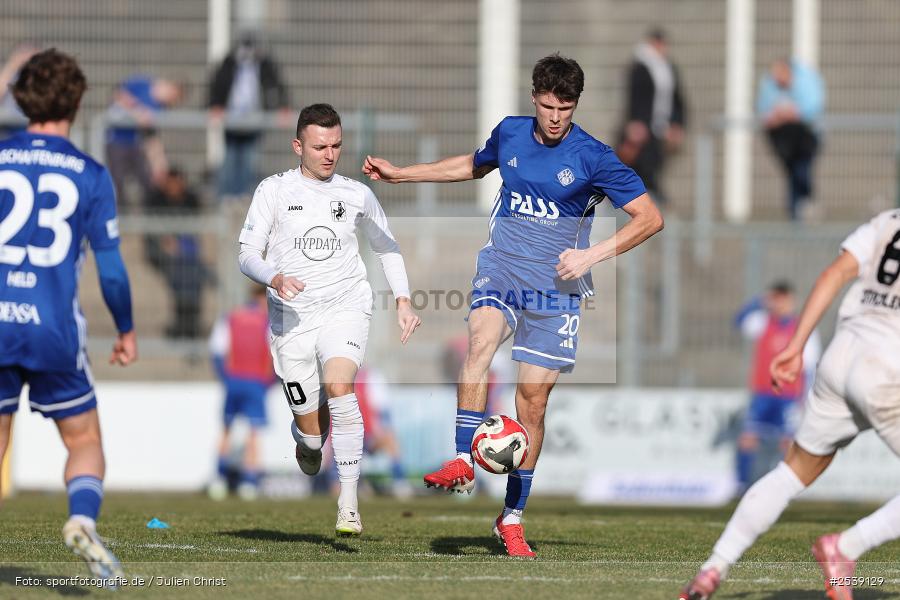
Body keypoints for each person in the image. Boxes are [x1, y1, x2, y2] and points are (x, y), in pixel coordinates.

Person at [364, 53, 663, 558]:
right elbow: (473, 165)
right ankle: (462, 458)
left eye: (564, 108)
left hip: (557, 289)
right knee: (479, 343)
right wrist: (403, 176)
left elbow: (649, 218)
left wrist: (592, 253)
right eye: (547, 105)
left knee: (533, 403)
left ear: (575, 106)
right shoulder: (511, 133)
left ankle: (512, 517)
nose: (554, 117)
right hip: (502, 268)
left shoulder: (594, 157)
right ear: (534, 99)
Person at [680, 208, 900, 600]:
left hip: (842, 353)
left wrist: (795, 347)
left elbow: (832, 275)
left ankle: (712, 569)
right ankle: (846, 547)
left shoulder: (888, 221)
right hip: (886, 366)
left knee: (792, 472)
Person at [238, 103, 420, 536]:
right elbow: (246, 254)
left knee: (342, 387)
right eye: (320, 146)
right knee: (314, 437)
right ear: (298, 145)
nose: (329, 154)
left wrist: (404, 300)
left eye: (337, 145)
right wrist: (274, 276)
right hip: (292, 318)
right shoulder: (274, 191)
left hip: (345, 305)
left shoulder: (356, 194)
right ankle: (307, 438)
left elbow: (386, 246)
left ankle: (349, 504)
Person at [0, 49, 137, 582]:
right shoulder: (90, 174)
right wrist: (126, 329)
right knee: (83, 440)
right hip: (52, 326)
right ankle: (82, 520)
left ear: (18, 98)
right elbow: (112, 273)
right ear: (78, 101)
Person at [733, 281, 820, 493]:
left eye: (783, 298)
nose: (779, 303)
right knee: (748, 439)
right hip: (763, 394)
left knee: (787, 444)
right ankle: (741, 486)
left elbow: (810, 367)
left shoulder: (803, 329)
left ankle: (784, 489)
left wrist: (805, 398)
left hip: (789, 396)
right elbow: (738, 321)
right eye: (776, 298)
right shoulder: (762, 322)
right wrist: (759, 301)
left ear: (792, 300)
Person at [208, 285, 274, 501]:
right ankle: (249, 481)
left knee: (226, 429)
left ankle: (219, 479)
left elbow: (217, 351)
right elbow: (276, 355)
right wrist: (268, 382)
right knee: (253, 433)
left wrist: (226, 378)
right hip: (255, 382)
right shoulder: (269, 322)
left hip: (234, 380)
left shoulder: (231, 317)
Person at [209, 33, 290, 200]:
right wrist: (216, 105)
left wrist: (283, 106)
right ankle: (227, 199)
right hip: (232, 121)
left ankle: (246, 198)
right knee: (230, 161)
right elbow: (218, 84)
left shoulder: (265, 64)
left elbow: (276, 85)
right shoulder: (230, 63)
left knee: (249, 161)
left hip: (254, 121)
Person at [616, 28, 687, 207]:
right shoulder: (640, 67)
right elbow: (635, 97)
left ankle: (651, 203)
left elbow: (678, 99)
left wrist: (676, 124)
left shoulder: (668, 68)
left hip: (660, 128)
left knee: (652, 165)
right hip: (643, 126)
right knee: (638, 165)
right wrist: (635, 123)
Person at [144, 167, 215, 338]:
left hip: (185, 252)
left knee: (191, 273)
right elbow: (150, 230)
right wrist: (165, 241)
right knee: (182, 273)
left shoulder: (191, 199)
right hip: (161, 253)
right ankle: (184, 324)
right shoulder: (155, 199)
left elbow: (193, 230)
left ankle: (190, 324)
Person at [757, 58, 826, 221]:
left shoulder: (805, 82)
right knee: (792, 175)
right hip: (783, 139)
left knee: (801, 173)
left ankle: (804, 204)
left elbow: (811, 108)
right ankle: (796, 213)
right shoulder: (769, 85)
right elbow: (764, 110)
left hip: (805, 137)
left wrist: (791, 114)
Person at [105, 75, 184, 209]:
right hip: (116, 140)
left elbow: (151, 137)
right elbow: (119, 94)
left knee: (147, 182)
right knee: (117, 182)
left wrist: (159, 165)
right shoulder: (142, 83)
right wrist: (137, 111)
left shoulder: (159, 108)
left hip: (136, 144)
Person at [0, 43, 39, 138]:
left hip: (28, 123)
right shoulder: (12, 74)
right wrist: (13, 65)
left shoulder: (37, 77)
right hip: (8, 123)